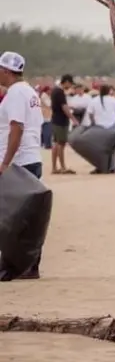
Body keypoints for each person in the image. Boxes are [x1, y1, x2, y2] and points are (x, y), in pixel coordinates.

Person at [0, 51, 45, 279]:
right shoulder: (29, 91)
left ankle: (15, 264)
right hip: (31, 158)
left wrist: (5, 162)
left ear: (6, 71)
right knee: (28, 217)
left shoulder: (16, 94)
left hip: (18, 163)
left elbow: (16, 128)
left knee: (12, 217)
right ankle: (28, 264)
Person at [49, 74, 77, 175]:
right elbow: (64, 107)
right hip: (61, 121)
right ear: (66, 82)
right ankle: (62, 167)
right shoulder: (60, 92)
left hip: (56, 119)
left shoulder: (55, 91)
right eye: (70, 84)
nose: (70, 86)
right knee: (61, 143)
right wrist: (73, 119)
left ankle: (54, 167)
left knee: (56, 143)